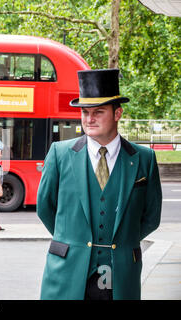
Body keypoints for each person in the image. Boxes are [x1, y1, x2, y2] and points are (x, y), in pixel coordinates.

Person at [37, 69, 162, 300]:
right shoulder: (60, 154)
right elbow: (45, 207)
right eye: (85, 112)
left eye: (98, 112)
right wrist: (72, 238)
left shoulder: (144, 159)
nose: (89, 119)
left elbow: (151, 217)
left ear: (118, 114)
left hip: (121, 274)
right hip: (67, 271)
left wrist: (123, 242)